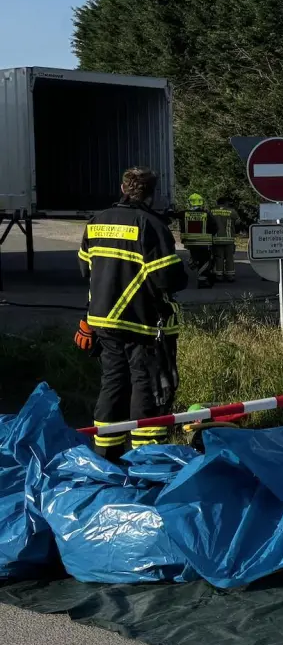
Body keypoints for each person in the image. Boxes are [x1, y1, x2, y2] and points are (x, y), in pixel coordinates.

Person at [79, 167, 187, 460]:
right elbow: (166, 279)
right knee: (146, 383)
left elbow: (84, 268)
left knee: (113, 382)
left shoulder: (96, 222)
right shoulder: (150, 224)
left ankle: (106, 452)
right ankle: (147, 457)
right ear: (152, 193)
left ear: (122, 187)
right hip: (141, 321)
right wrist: (184, 275)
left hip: (102, 319)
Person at [179, 191, 215, 288]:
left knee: (196, 258)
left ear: (190, 202)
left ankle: (192, 263)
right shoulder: (207, 214)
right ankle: (202, 280)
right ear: (201, 202)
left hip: (191, 242)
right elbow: (214, 227)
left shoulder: (185, 214)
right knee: (205, 261)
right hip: (204, 242)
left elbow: (181, 227)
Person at [211, 196, 237, 283]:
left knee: (219, 257)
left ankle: (219, 275)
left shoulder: (212, 211)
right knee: (230, 258)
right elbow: (238, 222)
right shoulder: (231, 211)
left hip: (216, 239)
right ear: (225, 203)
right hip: (229, 239)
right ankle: (230, 276)